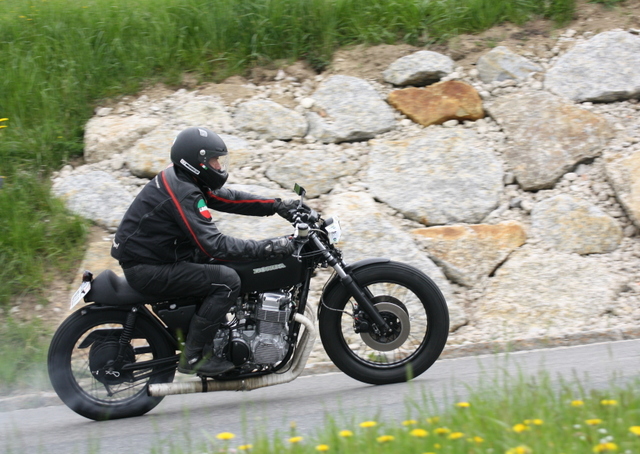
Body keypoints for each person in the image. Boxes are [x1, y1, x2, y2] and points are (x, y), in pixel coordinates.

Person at [111, 126, 305, 376]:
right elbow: (214, 244)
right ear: (197, 162)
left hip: (162, 256)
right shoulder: (184, 192)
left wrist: (277, 206)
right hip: (148, 267)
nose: (218, 166)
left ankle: (222, 335)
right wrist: (267, 247)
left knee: (225, 266)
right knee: (227, 281)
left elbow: (228, 198)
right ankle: (194, 356)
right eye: (214, 161)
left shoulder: (183, 178)